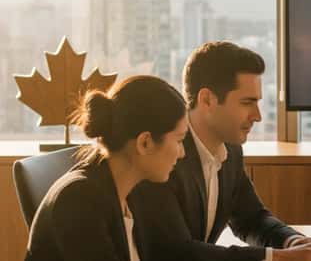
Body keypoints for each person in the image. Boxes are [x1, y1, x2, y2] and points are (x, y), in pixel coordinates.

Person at [131, 42, 311, 261]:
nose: (257, 116)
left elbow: (251, 218)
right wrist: (277, 258)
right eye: (247, 102)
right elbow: (177, 252)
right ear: (207, 99)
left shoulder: (230, 149)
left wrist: (291, 240)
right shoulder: (162, 155)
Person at [26, 75, 189, 261]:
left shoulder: (131, 193)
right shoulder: (79, 200)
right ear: (145, 142)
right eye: (179, 140)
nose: (182, 153)